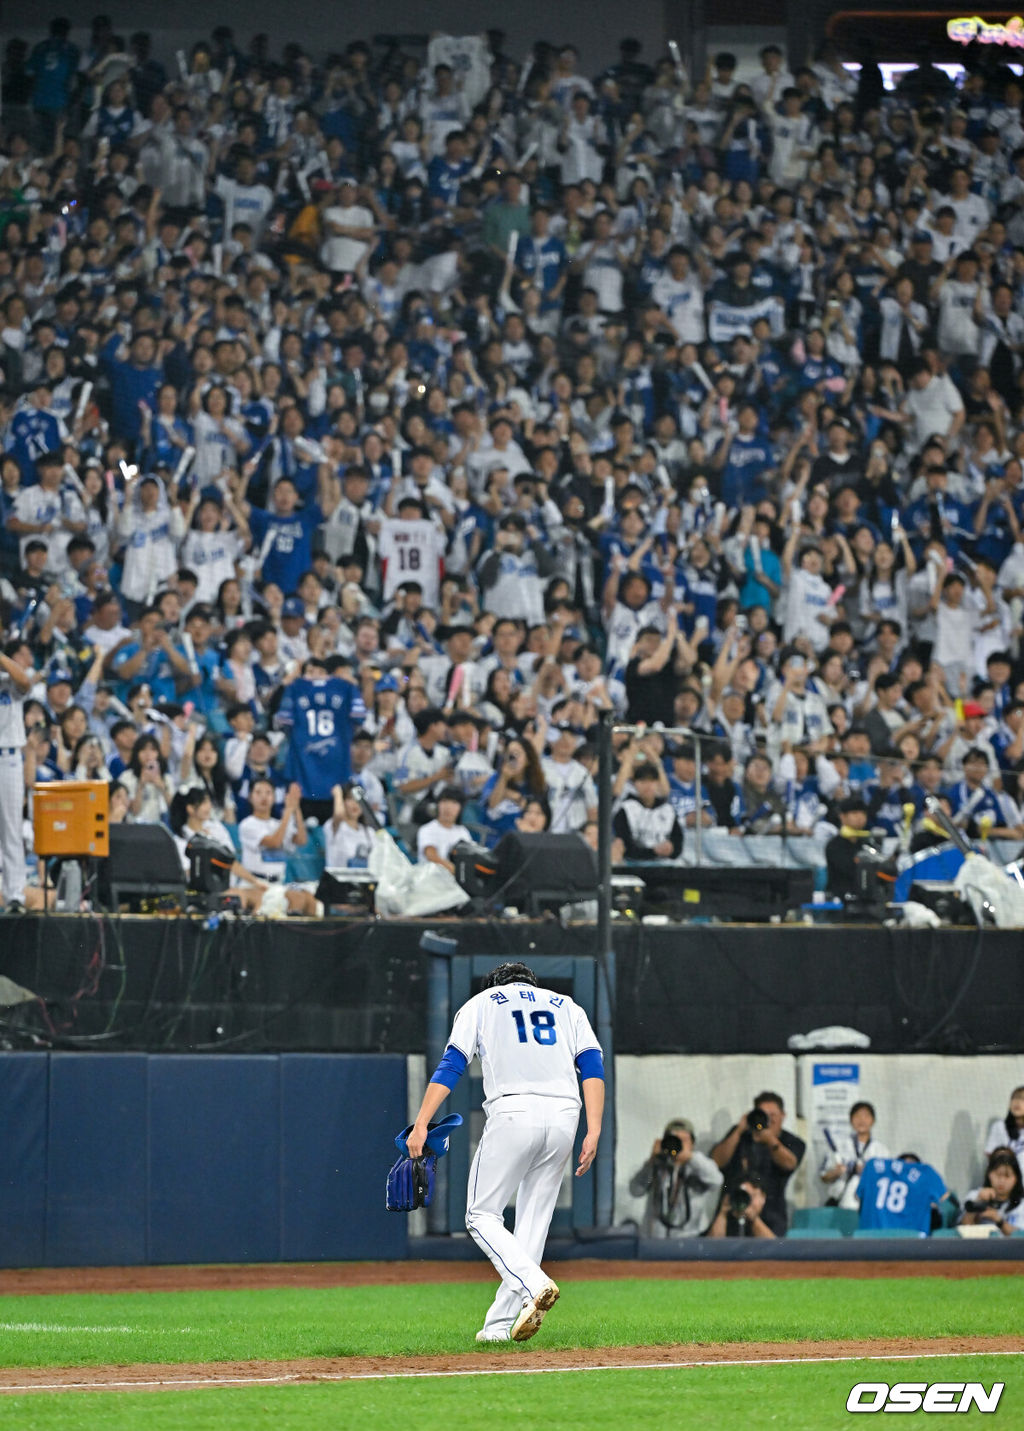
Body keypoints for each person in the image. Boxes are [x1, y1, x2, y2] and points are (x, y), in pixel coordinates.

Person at [405, 960, 604, 1343]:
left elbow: (452, 1064)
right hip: (566, 1115)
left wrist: (421, 1123)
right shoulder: (567, 1005)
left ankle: (534, 1283)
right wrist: (594, 1129)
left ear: (494, 983)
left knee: (480, 1215)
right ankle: (498, 1327)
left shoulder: (481, 1003)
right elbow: (592, 1067)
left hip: (514, 1111)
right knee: (533, 1224)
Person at [709, 1090, 806, 1236]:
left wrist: (770, 1140)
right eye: (763, 1115)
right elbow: (717, 1161)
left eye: (773, 1115)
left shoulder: (793, 1142)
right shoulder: (739, 1135)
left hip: (771, 1213)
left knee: (771, 1255)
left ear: (783, 1116)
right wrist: (738, 1131)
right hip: (735, 1206)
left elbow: (789, 1163)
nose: (768, 1119)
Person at [629, 1118, 723, 1237]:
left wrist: (691, 1158)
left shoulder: (698, 1166)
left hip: (688, 1240)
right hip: (654, 1241)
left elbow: (717, 1180)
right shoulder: (657, 1167)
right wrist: (651, 1162)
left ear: (692, 1144)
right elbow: (636, 1190)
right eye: (674, 1140)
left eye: (683, 1140)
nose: (678, 1145)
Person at [0, 638, 34, 912]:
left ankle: (15, 895)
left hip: (8, 757)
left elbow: (25, 681)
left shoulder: (8, 679)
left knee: (11, 827)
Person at [856, 1152, 951, 1236]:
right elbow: (945, 1197)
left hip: (873, 1238)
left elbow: (857, 1197)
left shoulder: (872, 1166)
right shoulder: (927, 1174)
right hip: (910, 1242)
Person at [819, 1100, 892, 1209]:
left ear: (873, 1121)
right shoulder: (840, 1145)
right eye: (857, 1116)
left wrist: (868, 1172)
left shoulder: (882, 1150)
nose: (862, 1120)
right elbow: (823, 1177)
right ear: (851, 1120)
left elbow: (888, 1179)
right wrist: (836, 1172)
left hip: (870, 1206)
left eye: (866, 1116)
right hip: (840, 1204)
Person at [959, 1147, 1024, 1235]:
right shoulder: (974, 1196)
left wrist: (999, 1221)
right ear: (989, 1174)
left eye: (1007, 1176)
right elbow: (962, 1231)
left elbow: (1020, 1236)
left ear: (1016, 1178)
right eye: (997, 1175)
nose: (1001, 1181)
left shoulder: (1021, 1204)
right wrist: (976, 1205)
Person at [706, 1175, 775, 1239]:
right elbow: (712, 1247)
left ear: (763, 1197)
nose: (748, 1200)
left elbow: (775, 1247)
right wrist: (723, 1213)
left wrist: (754, 1219)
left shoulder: (771, 1216)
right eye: (744, 1195)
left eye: (753, 1196)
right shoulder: (726, 1215)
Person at [984, 1085, 1024, 1176]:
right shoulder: (1000, 1126)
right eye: (1014, 1098)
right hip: (1004, 1181)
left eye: (1022, 1099)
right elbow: (991, 1154)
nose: (1017, 1102)